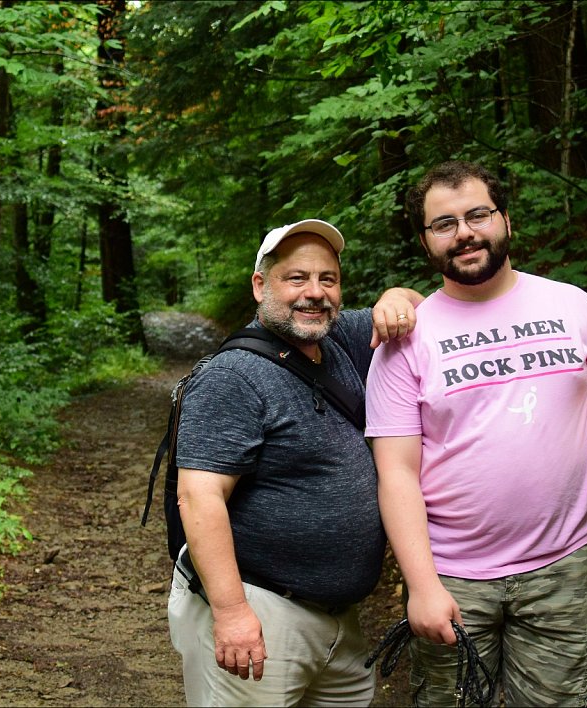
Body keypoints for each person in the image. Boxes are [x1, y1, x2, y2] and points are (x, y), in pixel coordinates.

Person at [365, 161, 587, 707]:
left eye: (477, 215)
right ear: (426, 243)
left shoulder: (572, 306)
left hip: (564, 567)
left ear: (506, 221)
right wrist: (421, 586)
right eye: (443, 224)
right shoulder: (406, 339)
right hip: (452, 575)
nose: (465, 232)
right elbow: (396, 472)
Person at [167, 218, 421, 707]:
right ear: (261, 285)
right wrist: (232, 612)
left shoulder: (340, 340)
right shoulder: (232, 377)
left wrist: (394, 294)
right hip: (261, 612)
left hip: (340, 623)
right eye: (296, 278)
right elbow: (198, 497)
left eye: (328, 279)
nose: (315, 292)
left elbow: (416, 305)